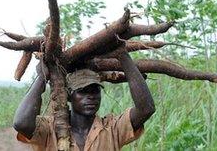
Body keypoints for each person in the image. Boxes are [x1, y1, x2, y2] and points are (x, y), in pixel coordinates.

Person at [13, 50, 155, 151]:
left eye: (95, 90)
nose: (91, 96)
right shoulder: (50, 129)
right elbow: (21, 123)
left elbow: (146, 109)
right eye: (82, 91)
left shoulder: (112, 128)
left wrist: (123, 56)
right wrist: (42, 77)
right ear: (69, 96)